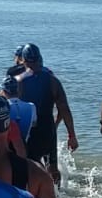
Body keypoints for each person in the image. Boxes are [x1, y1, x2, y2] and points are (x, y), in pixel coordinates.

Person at [14, 43, 79, 184]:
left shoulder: (18, 81)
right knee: (53, 168)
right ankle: (58, 197)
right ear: (39, 58)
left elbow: (11, 108)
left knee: (31, 166)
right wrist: (72, 135)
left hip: (28, 130)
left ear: (23, 60)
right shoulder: (53, 81)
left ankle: (36, 195)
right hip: (48, 128)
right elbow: (64, 109)